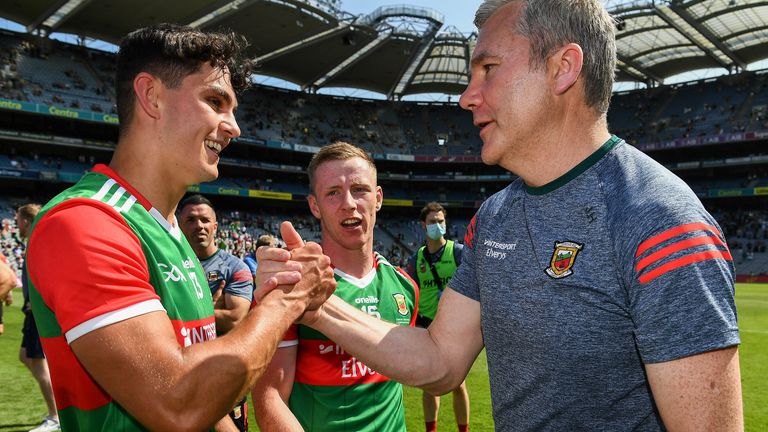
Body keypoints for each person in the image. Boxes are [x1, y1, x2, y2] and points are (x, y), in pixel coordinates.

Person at [297, 1, 743, 430]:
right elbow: (441, 358)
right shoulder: (493, 217)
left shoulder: (658, 219)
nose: (466, 97)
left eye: (488, 69)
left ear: (562, 68)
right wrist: (314, 303)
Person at [26, 23, 336, 431]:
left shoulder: (171, 232)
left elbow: (210, 405)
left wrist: (269, 299)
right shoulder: (83, 223)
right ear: (151, 96)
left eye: (233, 110)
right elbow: (178, 404)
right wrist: (286, 304)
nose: (234, 127)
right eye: (215, 101)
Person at [253, 142, 419, 431]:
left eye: (360, 190)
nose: (349, 203)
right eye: (333, 193)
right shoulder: (292, 284)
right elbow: (269, 397)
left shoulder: (405, 288)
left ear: (377, 198)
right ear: (314, 206)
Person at [178, 194, 254, 431]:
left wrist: (182, 312)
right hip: (179, 376)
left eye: (204, 220)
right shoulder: (168, 266)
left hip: (223, 377)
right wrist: (212, 309)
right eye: (190, 219)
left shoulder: (235, 267)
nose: (198, 225)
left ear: (215, 226)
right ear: (179, 225)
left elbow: (234, 318)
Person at [406, 202, 469, 432]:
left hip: (454, 325)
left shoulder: (459, 252)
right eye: (432, 222)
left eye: (441, 221)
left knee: (458, 383)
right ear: (423, 225)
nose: (438, 225)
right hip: (426, 325)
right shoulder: (416, 260)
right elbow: (410, 291)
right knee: (430, 383)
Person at [16, 204, 60, 432]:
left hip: (37, 312)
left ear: (25, 220)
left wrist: (40, 297)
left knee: (38, 363)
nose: (16, 226)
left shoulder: (40, 238)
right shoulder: (36, 238)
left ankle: (55, 415)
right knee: (26, 356)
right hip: (31, 311)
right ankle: (56, 403)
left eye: (17, 221)